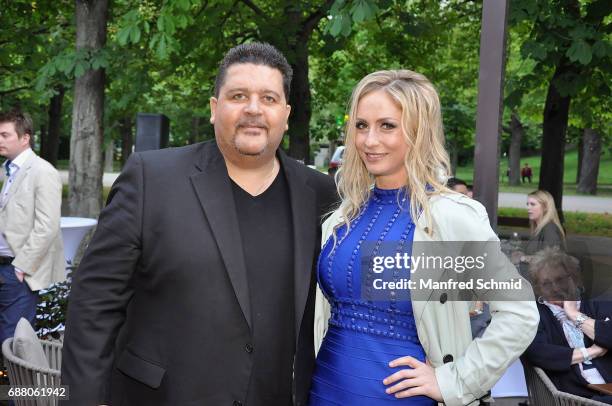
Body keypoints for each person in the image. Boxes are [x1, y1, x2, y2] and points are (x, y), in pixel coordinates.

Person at [61, 43, 337, 406]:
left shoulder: (321, 195)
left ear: (285, 114)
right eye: (239, 95)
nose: (254, 109)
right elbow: (94, 306)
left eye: (268, 98)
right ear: (214, 108)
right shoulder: (151, 179)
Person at [312, 70, 539, 405]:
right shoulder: (342, 218)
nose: (369, 140)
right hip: (324, 388)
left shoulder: (450, 218)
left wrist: (455, 381)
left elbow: (520, 313)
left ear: (418, 131)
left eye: (387, 125)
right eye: (361, 125)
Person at [0, 110, 65, 345]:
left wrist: (22, 266)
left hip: (19, 272)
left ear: (25, 138)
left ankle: (16, 383)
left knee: (12, 341)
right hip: (6, 267)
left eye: (4, 135)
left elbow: (47, 226)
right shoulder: (9, 170)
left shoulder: (43, 171)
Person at [523, 247, 612, 404]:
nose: (555, 288)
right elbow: (538, 352)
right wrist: (593, 351)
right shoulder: (535, 315)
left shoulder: (595, 304)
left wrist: (574, 314)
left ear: (574, 278)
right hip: (574, 396)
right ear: (538, 289)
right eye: (546, 284)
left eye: (560, 279)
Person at [513, 190, 565, 270]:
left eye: (533, 204)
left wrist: (523, 258)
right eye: (528, 204)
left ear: (545, 207)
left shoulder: (549, 228)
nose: (528, 208)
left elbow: (551, 259)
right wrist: (521, 253)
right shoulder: (539, 228)